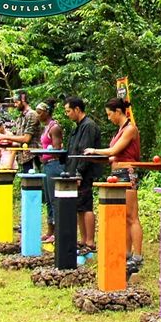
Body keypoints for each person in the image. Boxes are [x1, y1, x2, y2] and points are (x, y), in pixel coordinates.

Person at [84, 98, 143, 272]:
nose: (109, 118)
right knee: (124, 216)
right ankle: (126, 253)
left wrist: (94, 150)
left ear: (118, 111)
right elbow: (112, 156)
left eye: (110, 114)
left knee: (132, 216)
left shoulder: (130, 129)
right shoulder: (120, 130)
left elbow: (114, 151)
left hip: (127, 173)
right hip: (116, 174)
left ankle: (138, 256)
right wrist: (95, 158)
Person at [64, 96, 102, 253]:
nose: (67, 114)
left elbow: (85, 151)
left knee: (86, 206)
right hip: (74, 171)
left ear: (77, 109)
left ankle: (90, 242)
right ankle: (83, 239)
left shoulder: (89, 126)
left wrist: (79, 172)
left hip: (85, 173)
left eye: (68, 111)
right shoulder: (77, 127)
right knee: (78, 206)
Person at [36, 99, 64, 242]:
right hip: (46, 164)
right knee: (48, 199)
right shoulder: (45, 127)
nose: (37, 115)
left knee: (54, 199)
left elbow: (57, 150)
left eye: (39, 112)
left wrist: (45, 151)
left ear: (47, 113)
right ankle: (49, 230)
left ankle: (57, 232)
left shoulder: (54, 128)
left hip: (54, 165)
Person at [0, 90, 41, 173]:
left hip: (32, 156)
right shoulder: (21, 117)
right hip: (23, 157)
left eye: (16, 102)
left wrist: (5, 136)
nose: (15, 105)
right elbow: (19, 140)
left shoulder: (31, 114)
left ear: (23, 100)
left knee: (32, 183)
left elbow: (26, 139)